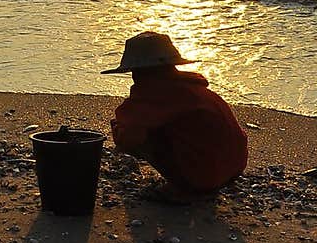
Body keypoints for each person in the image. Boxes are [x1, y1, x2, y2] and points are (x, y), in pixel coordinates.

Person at [105, 31, 248, 201]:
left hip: (204, 176)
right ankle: (200, 181)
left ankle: (183, 189)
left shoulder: (156, 95)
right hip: (234, 169)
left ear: (138, 72)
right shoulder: (196, 89)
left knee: (139, 134)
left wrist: (118, 128)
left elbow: (128, 136)